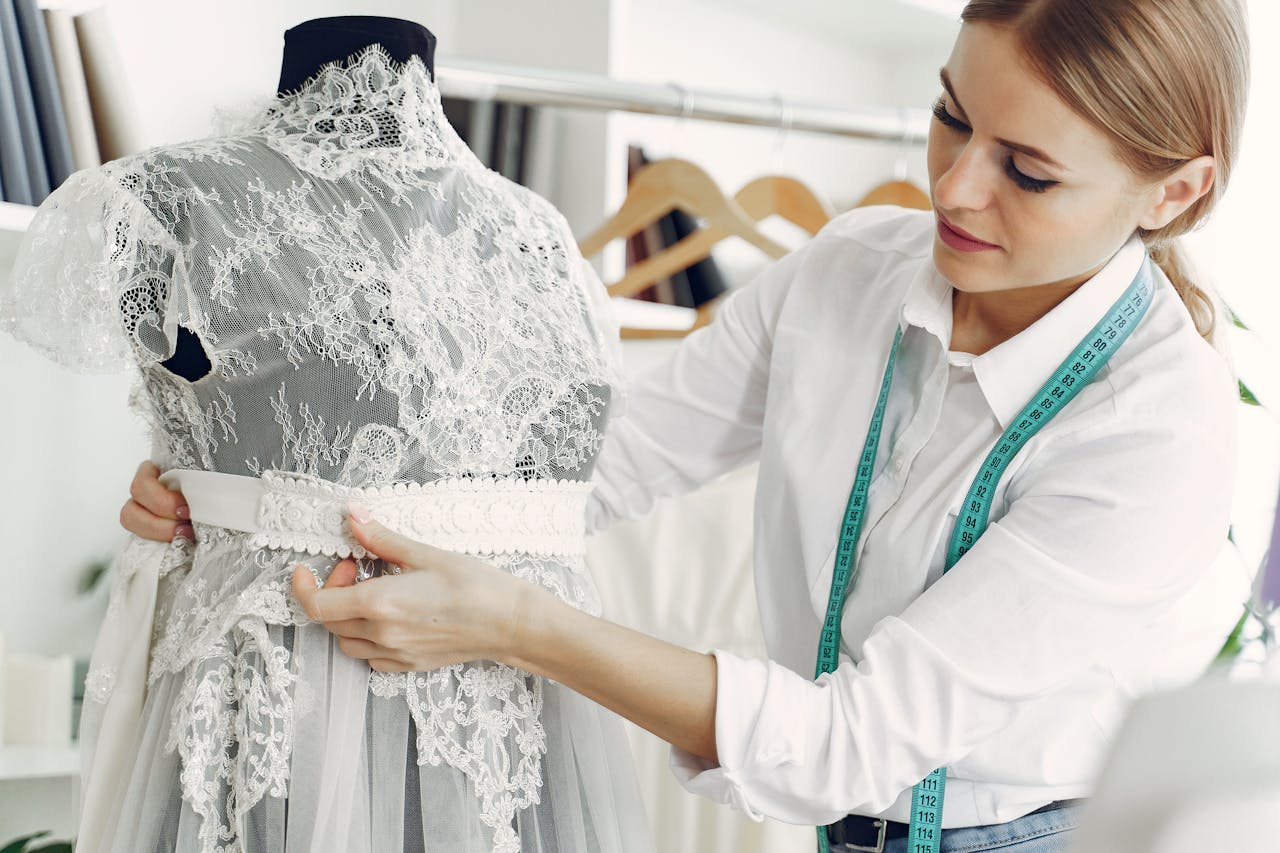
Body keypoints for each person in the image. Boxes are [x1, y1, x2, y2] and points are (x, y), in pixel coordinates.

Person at [121, 1, 1253, 850]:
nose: (953, 191)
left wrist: (519, 625)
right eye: (949, 118)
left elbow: (847, 742)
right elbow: (583, 471)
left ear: (1174, 192)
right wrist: (257, 501)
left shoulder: (1160, 432)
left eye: (1028, 172)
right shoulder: (850, 270)